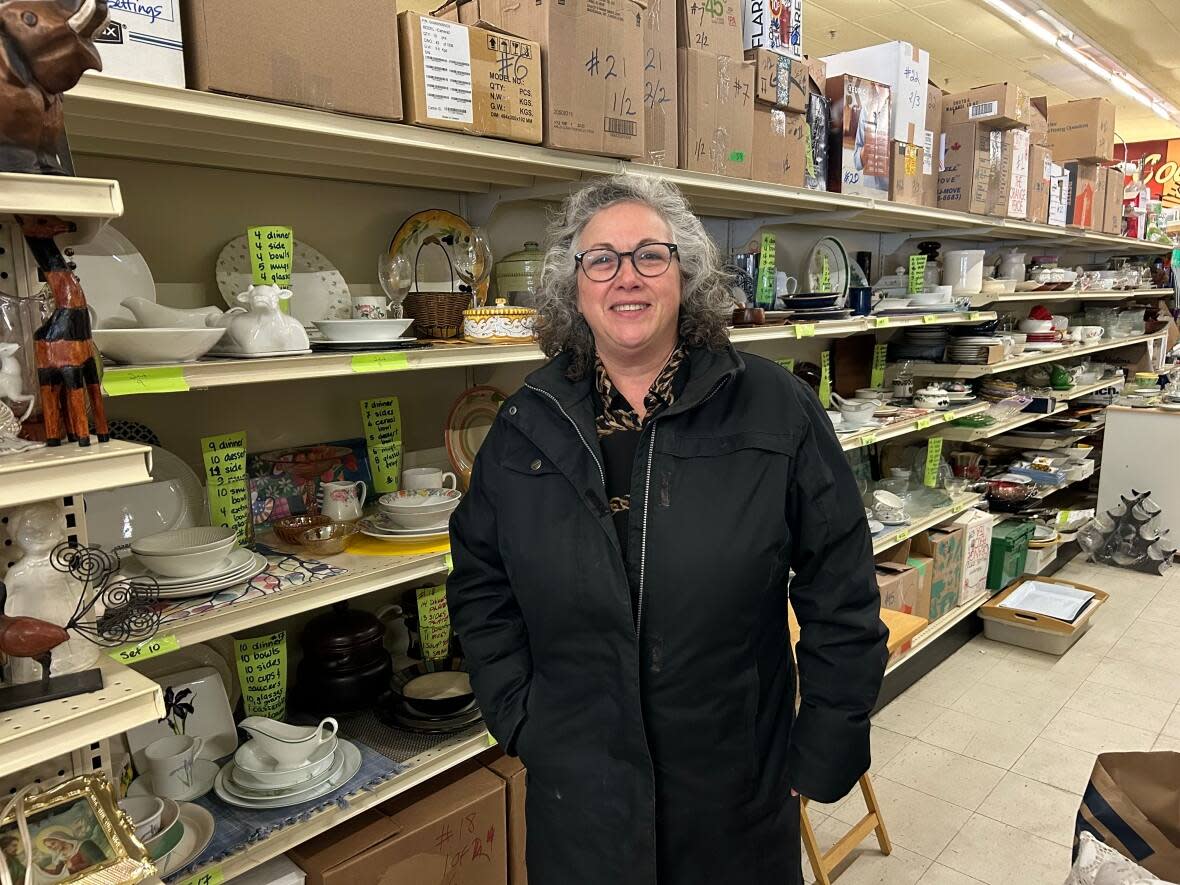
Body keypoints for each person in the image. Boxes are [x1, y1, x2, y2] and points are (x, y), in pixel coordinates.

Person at [447, 175, 888, 885]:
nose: (627, 277)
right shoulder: (526, 425)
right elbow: (478, 579)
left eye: (650, 255)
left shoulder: (774, 410)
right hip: (580, 804)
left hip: (734, 795)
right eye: (602, 260)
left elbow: (841, 581)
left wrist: (826, 737)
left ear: (685, 273)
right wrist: (520, 716)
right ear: (574, 286)